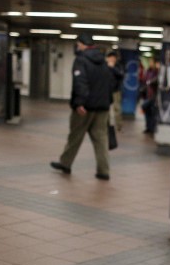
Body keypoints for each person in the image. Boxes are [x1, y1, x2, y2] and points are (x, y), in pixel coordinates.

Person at [50, 33, 115, 180]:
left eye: (78, 45)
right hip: (102, 108)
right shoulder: (103, 62)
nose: (77, 47)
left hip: (85, 107)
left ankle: (65, 163)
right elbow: (109, 84)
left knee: (75, 135)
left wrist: (79, 102)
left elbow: (81, 82)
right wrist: (107, 102)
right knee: (101, 139)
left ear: (84, 45)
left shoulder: (81, 60)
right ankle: (103, 170)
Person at [141, 58, 160, 135]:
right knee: (147, 111)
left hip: (153, 95)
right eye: (150, 62)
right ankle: (148, 127)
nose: (150, 63)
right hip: (147, 94)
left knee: (152, 111)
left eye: (152, 62)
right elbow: (144, 81)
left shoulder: (157, 72)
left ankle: (152, 128)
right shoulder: (148, 71)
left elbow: (156, 81)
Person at [107, 51, 124, 131]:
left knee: (117, 109)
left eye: (113, 58)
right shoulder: (104, 66)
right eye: (110, 58)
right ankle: (106, 124)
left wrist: (112, 68)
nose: (112, 59)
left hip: (116, 91)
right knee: (106, 109)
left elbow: (121, 75)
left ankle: (119, 126)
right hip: (106, 91)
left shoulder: (118, 66)